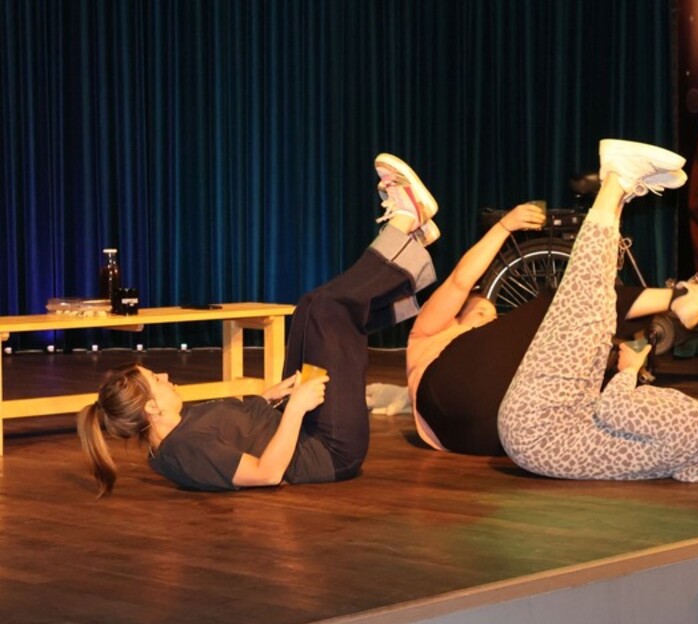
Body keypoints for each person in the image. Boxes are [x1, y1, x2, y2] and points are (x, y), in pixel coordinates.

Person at [77, 153, 440, 495]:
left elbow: (236, 430)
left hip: (300, 423)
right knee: (327, 309)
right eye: (156, 381)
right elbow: (267, 473)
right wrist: (295, 408)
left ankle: (409, 247)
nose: (166, 376)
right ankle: (407, 220)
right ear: (151, 409)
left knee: (309, 308)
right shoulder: (185, 450)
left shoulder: (176, 433)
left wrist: (270, 397)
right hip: (329, 449)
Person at [495, 139, 698, 482]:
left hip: (540, 427)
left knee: (586, 301)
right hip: (546, 433)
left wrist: (631, 369)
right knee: (598, 308)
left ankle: (617, 179)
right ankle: (620, 187)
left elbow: (613, 408)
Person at [406, 202, 698, 457]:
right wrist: (505, 226)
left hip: (483, 437)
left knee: (584, 354)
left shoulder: (484, 354)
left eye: (490, 318)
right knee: (556, 305)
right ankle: (678, 298)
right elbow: (461, 280)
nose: (489, 318)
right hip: (445, 400)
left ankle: (690, 416)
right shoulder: (428, 334)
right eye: (482, 313)